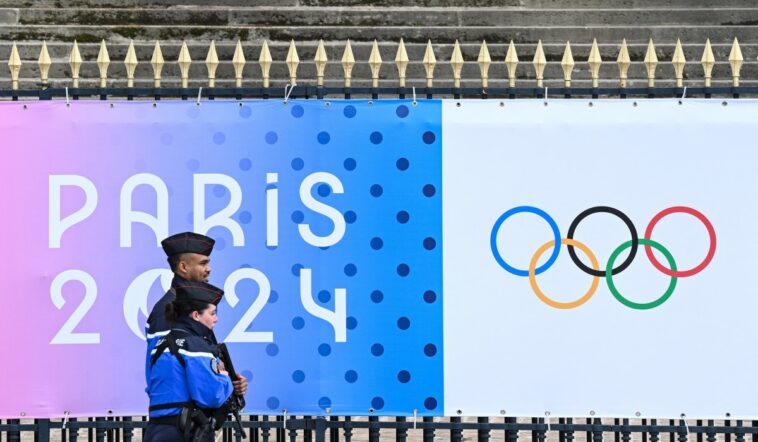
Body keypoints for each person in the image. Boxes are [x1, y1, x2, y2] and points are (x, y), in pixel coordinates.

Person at [145, 281, 246, 442]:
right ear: (196, 315)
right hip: (185, 433)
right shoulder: (195, 345)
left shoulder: (160, 343)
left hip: (155, 431)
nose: (216, 319)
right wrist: (225, 377)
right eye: (212, 313)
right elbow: (211, 396)